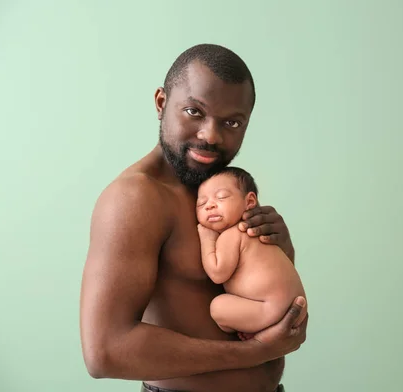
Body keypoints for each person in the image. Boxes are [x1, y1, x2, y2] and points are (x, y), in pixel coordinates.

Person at [79, 43, 308, 392]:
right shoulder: (135, 199)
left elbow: (240, 294)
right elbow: (105, 352)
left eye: (232, 122)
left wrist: (282, 252)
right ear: (161, 103)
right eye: (194, 112)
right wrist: (255, 352)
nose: (211, 135)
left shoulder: (221, 190)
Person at [196, 167, 307, 340]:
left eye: (221, 197)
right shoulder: (259, 233)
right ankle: (255, 325)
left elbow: (218, 273)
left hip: (270, 308)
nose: (210, 205)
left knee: (218, 306)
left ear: (249, 202)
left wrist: (207, 238)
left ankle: (258, 328)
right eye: (201, 203)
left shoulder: (234, 233)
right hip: (295, 307)